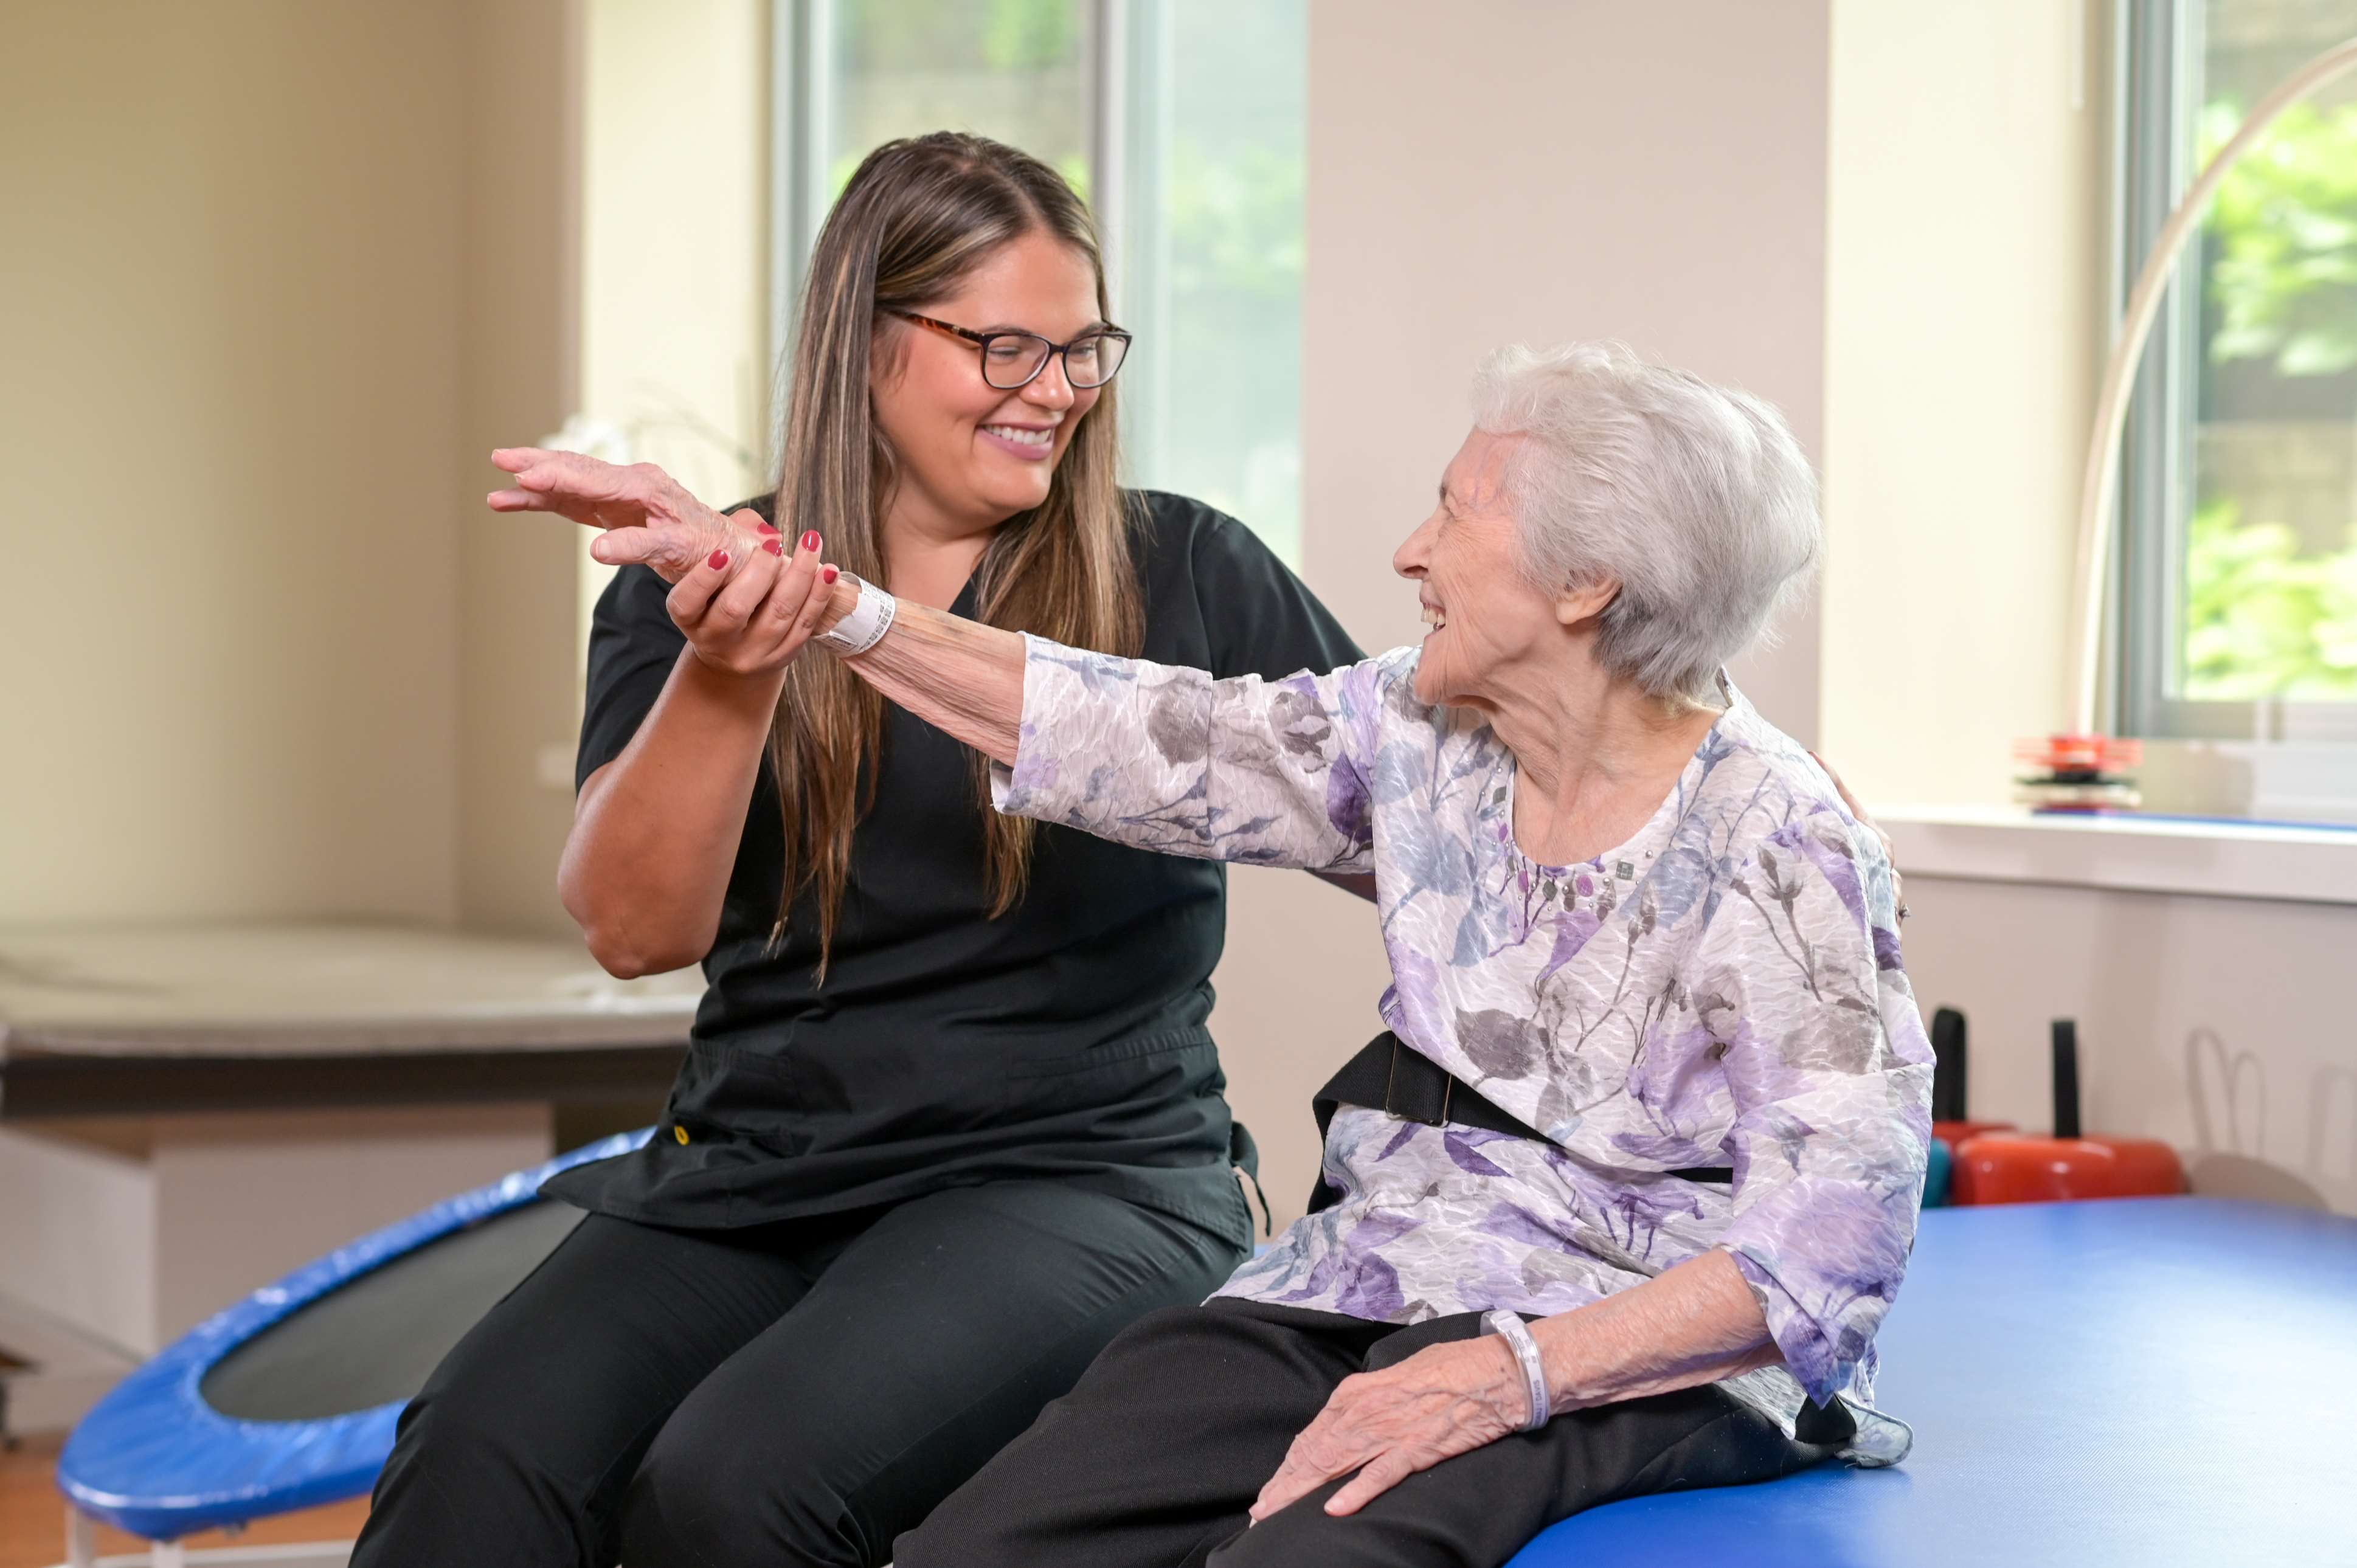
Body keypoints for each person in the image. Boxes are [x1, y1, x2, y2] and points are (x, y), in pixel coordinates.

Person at [582, 339, 1933, 1567]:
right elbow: (1142, 731)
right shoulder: (1421, 729)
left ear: (1588, 584)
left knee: (1301, 1565)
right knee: (977, 1555)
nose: (1412, 551)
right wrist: (829, 611)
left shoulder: (1778, 844)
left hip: (1623, 1341)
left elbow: (1822, 1258)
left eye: (1456, 514)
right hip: (1377, 1275)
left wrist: (1504, 1374)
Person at [348, 132, 1363, 1568]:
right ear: (865, 339)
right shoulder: (705, 579)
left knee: (736, 1482)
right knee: (474, 1459)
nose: (1055, 393)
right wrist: (731, 667)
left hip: (1078, 1178)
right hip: (761, 1167)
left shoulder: (1181, 570)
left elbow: (1409, 819)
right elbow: (636, 932)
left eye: (1083, 352)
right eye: (1004, 347)